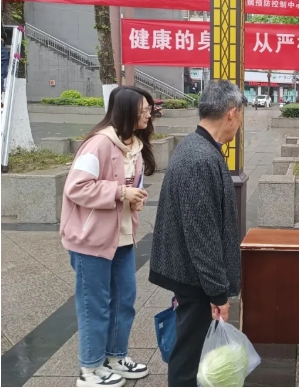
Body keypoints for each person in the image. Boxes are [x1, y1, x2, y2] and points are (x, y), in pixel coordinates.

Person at [149, 80, 247, 387]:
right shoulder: (199, 158)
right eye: (241, 115)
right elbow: (202, 234)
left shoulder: (197, 148)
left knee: (192, 349)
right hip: (194, 278)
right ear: (231, 113)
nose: (239, 124)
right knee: (189, 357)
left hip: (191, 273)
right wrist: (218, 293)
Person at [60, 86, 155, 387]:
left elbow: (130, 187)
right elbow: (76, 187)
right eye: (144, 109)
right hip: (91, 242)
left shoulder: (135, 146)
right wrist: (119, 192)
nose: (149, 114)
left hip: (122, 239)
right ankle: (89, 370)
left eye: (149, 109)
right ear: (126, 111)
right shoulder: (98, 144)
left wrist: (135, 198)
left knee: (124, 300)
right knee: (95, 306)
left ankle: (115, 357)